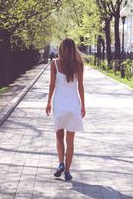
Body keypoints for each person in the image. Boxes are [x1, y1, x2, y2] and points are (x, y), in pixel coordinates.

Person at [46, 38, 85, 181]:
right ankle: (67, 171)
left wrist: (48, 102)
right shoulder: (79, 64)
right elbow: (80, 87)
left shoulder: (55, 64)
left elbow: (52, 85)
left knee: (59, 136)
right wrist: (83, 105)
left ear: (61, 49)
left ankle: (61, 163)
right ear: (74, 49)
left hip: (59, 104)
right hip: (73, 105)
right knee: (70, 141)